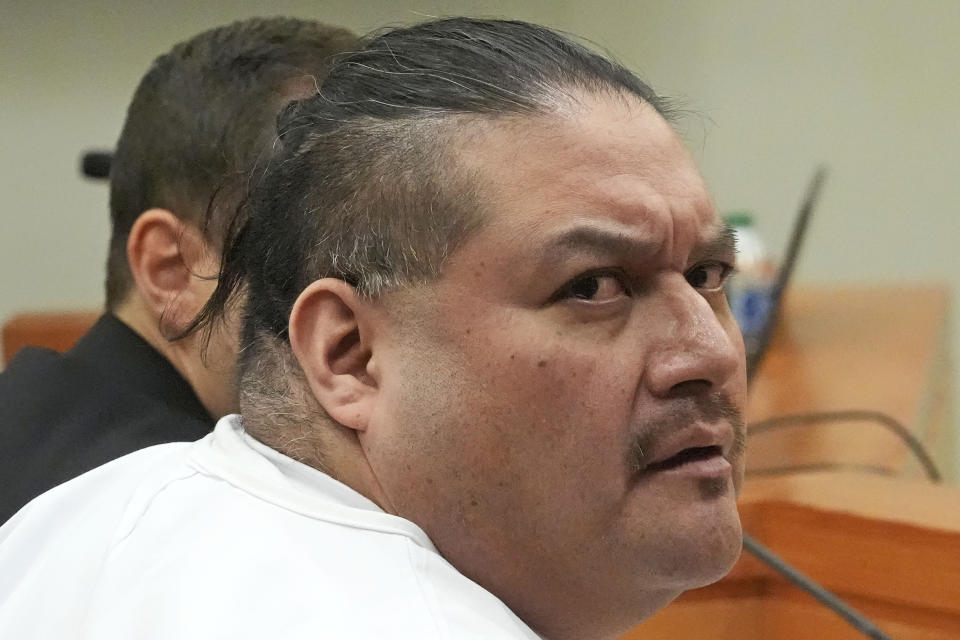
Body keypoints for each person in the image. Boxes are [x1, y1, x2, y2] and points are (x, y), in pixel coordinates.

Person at [0, 18, 748, 640]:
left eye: (709, 276)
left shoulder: (75, 520)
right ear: (348, 354)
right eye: (593, 287)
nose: (708, 352)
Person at [0, 17, 358, 522]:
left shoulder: (28, 416)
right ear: (171, 270)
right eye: (343, 268)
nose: (371, 332)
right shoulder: (193, 520)